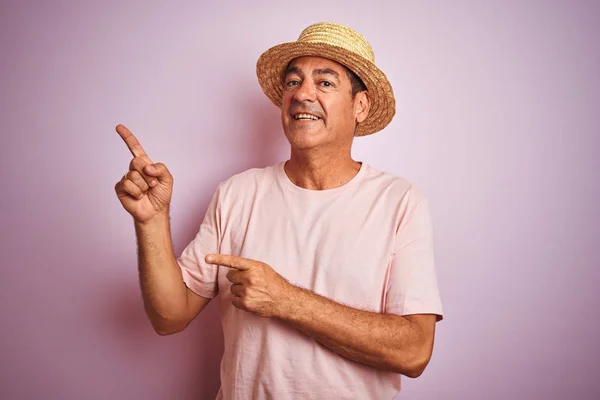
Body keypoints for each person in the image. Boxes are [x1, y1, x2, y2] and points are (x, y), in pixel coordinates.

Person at [114, 22, 443, 400]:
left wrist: (286, 300)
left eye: (324, 82)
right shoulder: (237, 193)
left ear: (361, 105)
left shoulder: (399, 202)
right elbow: (169, 316)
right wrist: (151, 221)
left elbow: (415, 350)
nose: (302, 94)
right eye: (292, 82)